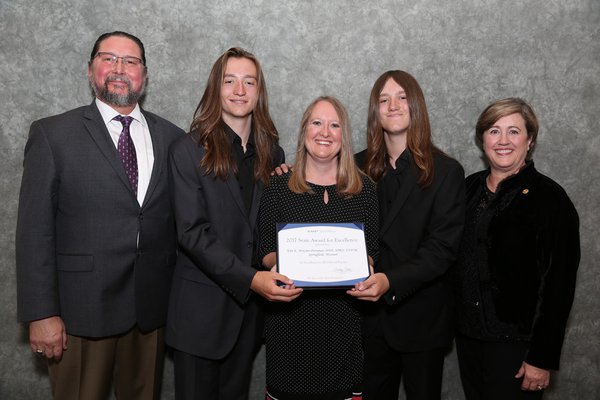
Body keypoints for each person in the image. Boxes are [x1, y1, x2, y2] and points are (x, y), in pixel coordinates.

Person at [15, 31, 184, 399]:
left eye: (131, 61)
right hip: (80, 313)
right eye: (109, 58)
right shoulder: (52, 135)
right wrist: (41, 313)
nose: (119, 69)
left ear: (145, 74)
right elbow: (34, 232)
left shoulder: (173, 139)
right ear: (90, 69)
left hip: (149, 313)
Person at [166, 47, 301, 400]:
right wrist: (252, 279)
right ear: (216, 88)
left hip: (248, 317)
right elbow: (192, 234)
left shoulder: (273, 154)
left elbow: (268, 228)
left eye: (249, 81)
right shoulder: (187, 150)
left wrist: (289, 194)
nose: (239, 90)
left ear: (259, 92)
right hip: (200, 315)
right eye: (230, 81)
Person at [453, 98, 580, 400]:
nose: (503, 141)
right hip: (469, 339)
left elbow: (559, 286)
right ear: (482, 138)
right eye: (494, 131)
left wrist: (541, 357)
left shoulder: (550, 199)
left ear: (530, 139)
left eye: (513, 131)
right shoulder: (466, 189)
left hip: (518, 347)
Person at [349, 70, 465, 400]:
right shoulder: (354, 166)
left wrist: (390, 281)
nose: (393, 105)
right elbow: (318, 194)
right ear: (375, 111)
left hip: (422, 320)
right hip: (368, 320)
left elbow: (441, 249)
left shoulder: (446, 171)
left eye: (402, 97)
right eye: (383, 99)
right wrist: (283, 171)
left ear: (416, 106)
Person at [258, 96, 379, 400]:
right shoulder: (278, 186)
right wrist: (282, 263)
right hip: (289, 328)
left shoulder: (365, 191)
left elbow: (371, 250)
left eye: (334, 125)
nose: (325, 132)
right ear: (303, 131)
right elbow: (265, 250)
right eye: (317, 123)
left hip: (343, 328)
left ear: (344, 136)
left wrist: (365, 266)